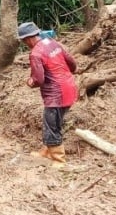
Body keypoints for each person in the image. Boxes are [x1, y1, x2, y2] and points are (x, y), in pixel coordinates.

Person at [18, 22, 77, 167]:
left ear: (27, 39)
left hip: (56, 95)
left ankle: (59, 159)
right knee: (52, 122)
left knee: (52, 125)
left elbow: (39, 79)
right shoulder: (53, 43)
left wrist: (30, 81)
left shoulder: (36, 53)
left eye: (24, 41)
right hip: (69, 88)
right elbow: (72, 63)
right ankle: (46, 150)